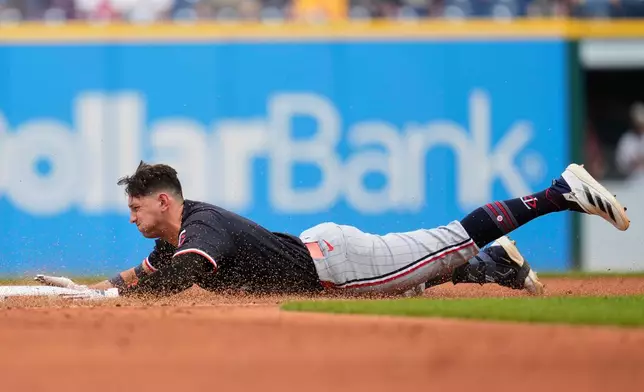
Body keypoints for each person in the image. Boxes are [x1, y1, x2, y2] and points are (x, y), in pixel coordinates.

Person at [36, 160, 630, 299]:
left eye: (136, 209)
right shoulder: (179, 236)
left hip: (335, 266)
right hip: (324, 263)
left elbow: (185, 274)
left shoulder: (201, 230)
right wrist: (97, 291)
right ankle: (492, 266)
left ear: (162, 201)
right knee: (410, 286)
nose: (132, 218)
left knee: (450, 236)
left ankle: (560, 192)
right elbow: (147, 274)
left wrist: (122, 297)